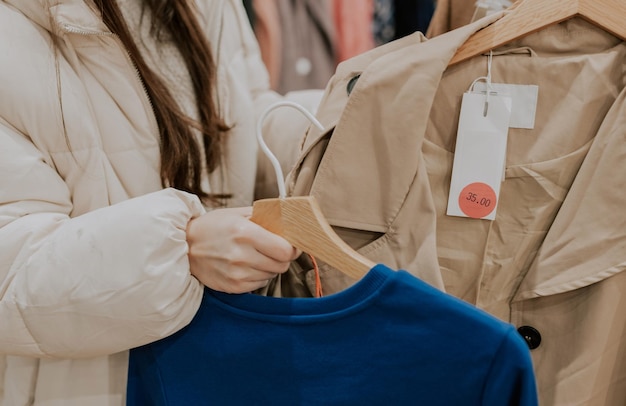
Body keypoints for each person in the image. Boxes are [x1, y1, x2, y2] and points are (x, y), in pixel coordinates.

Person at [0, 0, 322, 404]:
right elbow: (10, 269)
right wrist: (178, 249)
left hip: (228, 356)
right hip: (88, 385)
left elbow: (241, 118)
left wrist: (335, 126)